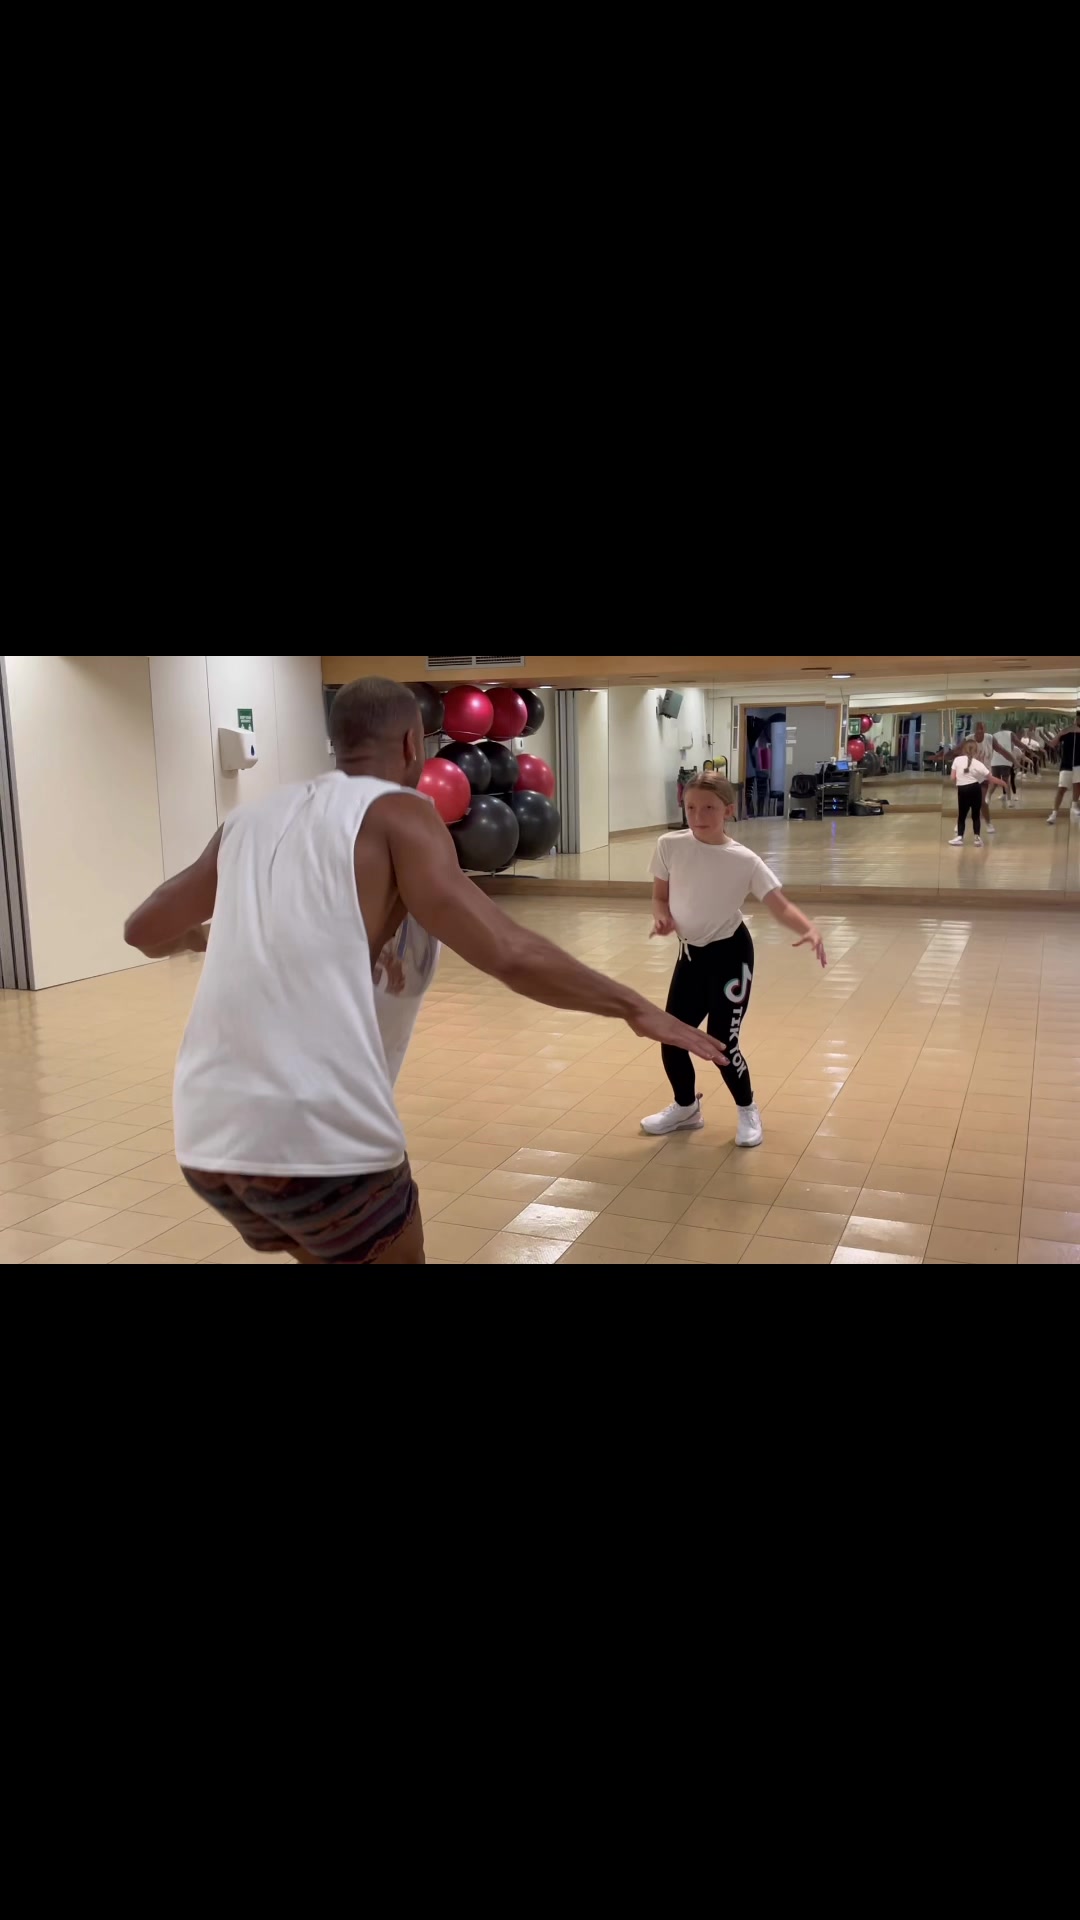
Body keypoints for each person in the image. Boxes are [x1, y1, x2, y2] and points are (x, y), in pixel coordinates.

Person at [122, 678, 729, 1265]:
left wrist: (202, 936)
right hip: (318, 1136)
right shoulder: (400, 813)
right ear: (414, 742)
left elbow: (143, 930)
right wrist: (634, 1008)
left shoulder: (249, 819)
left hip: (208, 1142)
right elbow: (508, 952)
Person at [639, 773, 826, 1148]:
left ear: (728, 810)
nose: (698, 816)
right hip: (690, 955)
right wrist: (662, 918)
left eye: (709, 807)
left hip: (730, 956)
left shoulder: (744, 860)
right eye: (691, 807)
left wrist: (809, 929)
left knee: (722, 1043)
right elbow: (660, 897)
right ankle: (686, 1108)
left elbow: (779, 905)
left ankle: (747, 1108)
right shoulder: (669, 845)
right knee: (672, 1036)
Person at [948, 739, 1007, 845]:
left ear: (963, 750)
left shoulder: (957, 760)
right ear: (976, 751)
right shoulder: (978, 764)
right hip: (975, 789)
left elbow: (952, 777)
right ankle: (977, 838)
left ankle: (960, 837)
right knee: (976, 814)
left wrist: (959, 783)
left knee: (962, 814)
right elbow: (990, 778)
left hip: (962, 789)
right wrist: (1002, 783)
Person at [1045, 712, 1080, 824]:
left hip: (1079, 763)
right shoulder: (1067, 731)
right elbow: (1052, 744)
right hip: (1066, 764)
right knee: (1062, 788)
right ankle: (1054, 813)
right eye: (1077, 718)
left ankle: (1074, 806)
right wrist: (1061, 733)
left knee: (1078, 785)